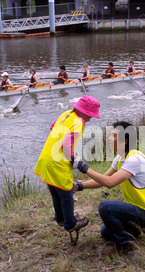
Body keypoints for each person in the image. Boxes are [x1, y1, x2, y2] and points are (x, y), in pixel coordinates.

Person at [72, 121, 145, 252]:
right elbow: (103, 179)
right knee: (106, 231)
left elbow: (109, 183)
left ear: (124, 141)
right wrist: (78, 186)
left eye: (113, 135)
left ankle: (126, 244)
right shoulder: (120, 158)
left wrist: (83, 167)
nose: (109, 138)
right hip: (139, 211)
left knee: (105, 207)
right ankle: (137, 230)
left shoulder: (134, 159)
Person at [33, 95, 101, 244]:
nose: (90, 119)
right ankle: (70, 223)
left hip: (46, 158)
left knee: (54, 189)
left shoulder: (66, 114)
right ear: (84, 113)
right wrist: (72, 159)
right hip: (58, 162)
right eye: (90, 116)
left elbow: (52, 127)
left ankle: (60, 218)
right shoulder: (79, 122)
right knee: (66, 191)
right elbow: (65, 144)